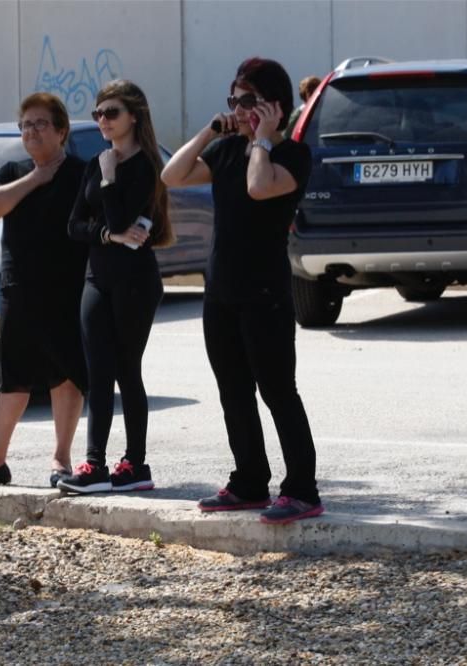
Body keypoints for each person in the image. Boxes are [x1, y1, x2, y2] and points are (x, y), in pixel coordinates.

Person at [160, 57, 323, 524]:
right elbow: (172, 176)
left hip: (265, 293)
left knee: (277, 390)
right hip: (221, 292)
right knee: (233, 390)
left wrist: (264, 139)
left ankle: (302, 490)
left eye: (247, 100)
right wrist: (211, 131)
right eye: (233, 100)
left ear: (274, 105)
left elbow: (258, 188)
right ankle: (249, 480)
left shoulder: (291, 155)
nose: (237, 108)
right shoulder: (228, 149)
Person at [0, 92, 88, 488]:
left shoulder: (82, 173)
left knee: (66, 377)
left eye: (40, 123)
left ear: (61, 131)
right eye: (26, 125)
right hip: (19, 290)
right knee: (12, 378)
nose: (31, 131)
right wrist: (36, 177)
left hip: (67, 291)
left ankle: (61, 459)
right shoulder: (13, 171)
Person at [57, 80, 174, 494]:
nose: (102, 121)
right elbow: (74, 226)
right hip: (98, 278)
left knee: (127, 371)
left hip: (135, 283)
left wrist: (108, 183)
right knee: (97, 372)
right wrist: (108, 236)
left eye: (111, 113)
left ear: (134, 116)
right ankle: (94, 466)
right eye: (98, 114)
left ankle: (135, 464)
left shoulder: (144, 165)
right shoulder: (96, 161)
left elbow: (122, 218)